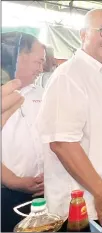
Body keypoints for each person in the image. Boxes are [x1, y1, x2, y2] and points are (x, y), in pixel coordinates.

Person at [35, 9, 102, 225]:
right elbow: (62, 143)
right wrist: (101, 191)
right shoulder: (70, 76)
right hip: (83, 210)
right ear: (83, 35)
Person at [1, 32, 46, 232]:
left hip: (42, 192)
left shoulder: (43, 94)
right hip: (7, 193)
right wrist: (13, 180)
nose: (41, 68)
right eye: (39, 61)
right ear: (17, 56)